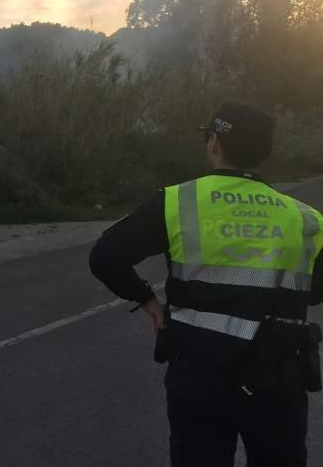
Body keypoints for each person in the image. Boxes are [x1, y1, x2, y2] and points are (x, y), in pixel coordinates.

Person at [89, 103, 323, 467]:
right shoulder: (306, 218)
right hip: (276, 377)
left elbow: (104, 257)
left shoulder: (176, 202)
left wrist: (149, 300)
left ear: (214, 143)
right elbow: (316, 290)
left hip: (198, 374)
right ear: (267, 152)